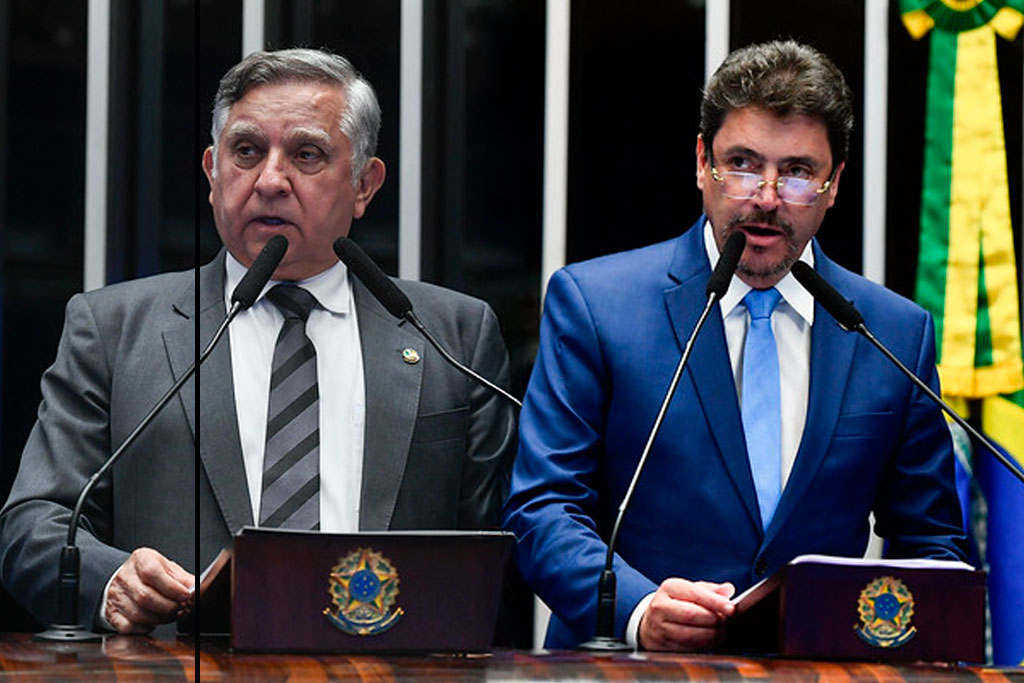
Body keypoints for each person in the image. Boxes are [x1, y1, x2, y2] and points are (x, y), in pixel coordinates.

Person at [0, 48, 516, 634]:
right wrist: (109, 579)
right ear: (212, 173)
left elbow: (494, 551)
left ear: (364, 184)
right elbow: (32, 526)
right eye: (246, 151)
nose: (270, 180)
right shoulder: (113, 329)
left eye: (306, 154)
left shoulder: (454, 336)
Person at [503, 40, 968, 651]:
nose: (766, 198)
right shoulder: (595, 305)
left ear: (834, 185)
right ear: (702, 163)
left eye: (798, 172)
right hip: (632, 667)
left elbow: (930, 543)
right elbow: (543, 507)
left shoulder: (892, 332)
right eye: (743, 164)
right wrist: (638, 608)